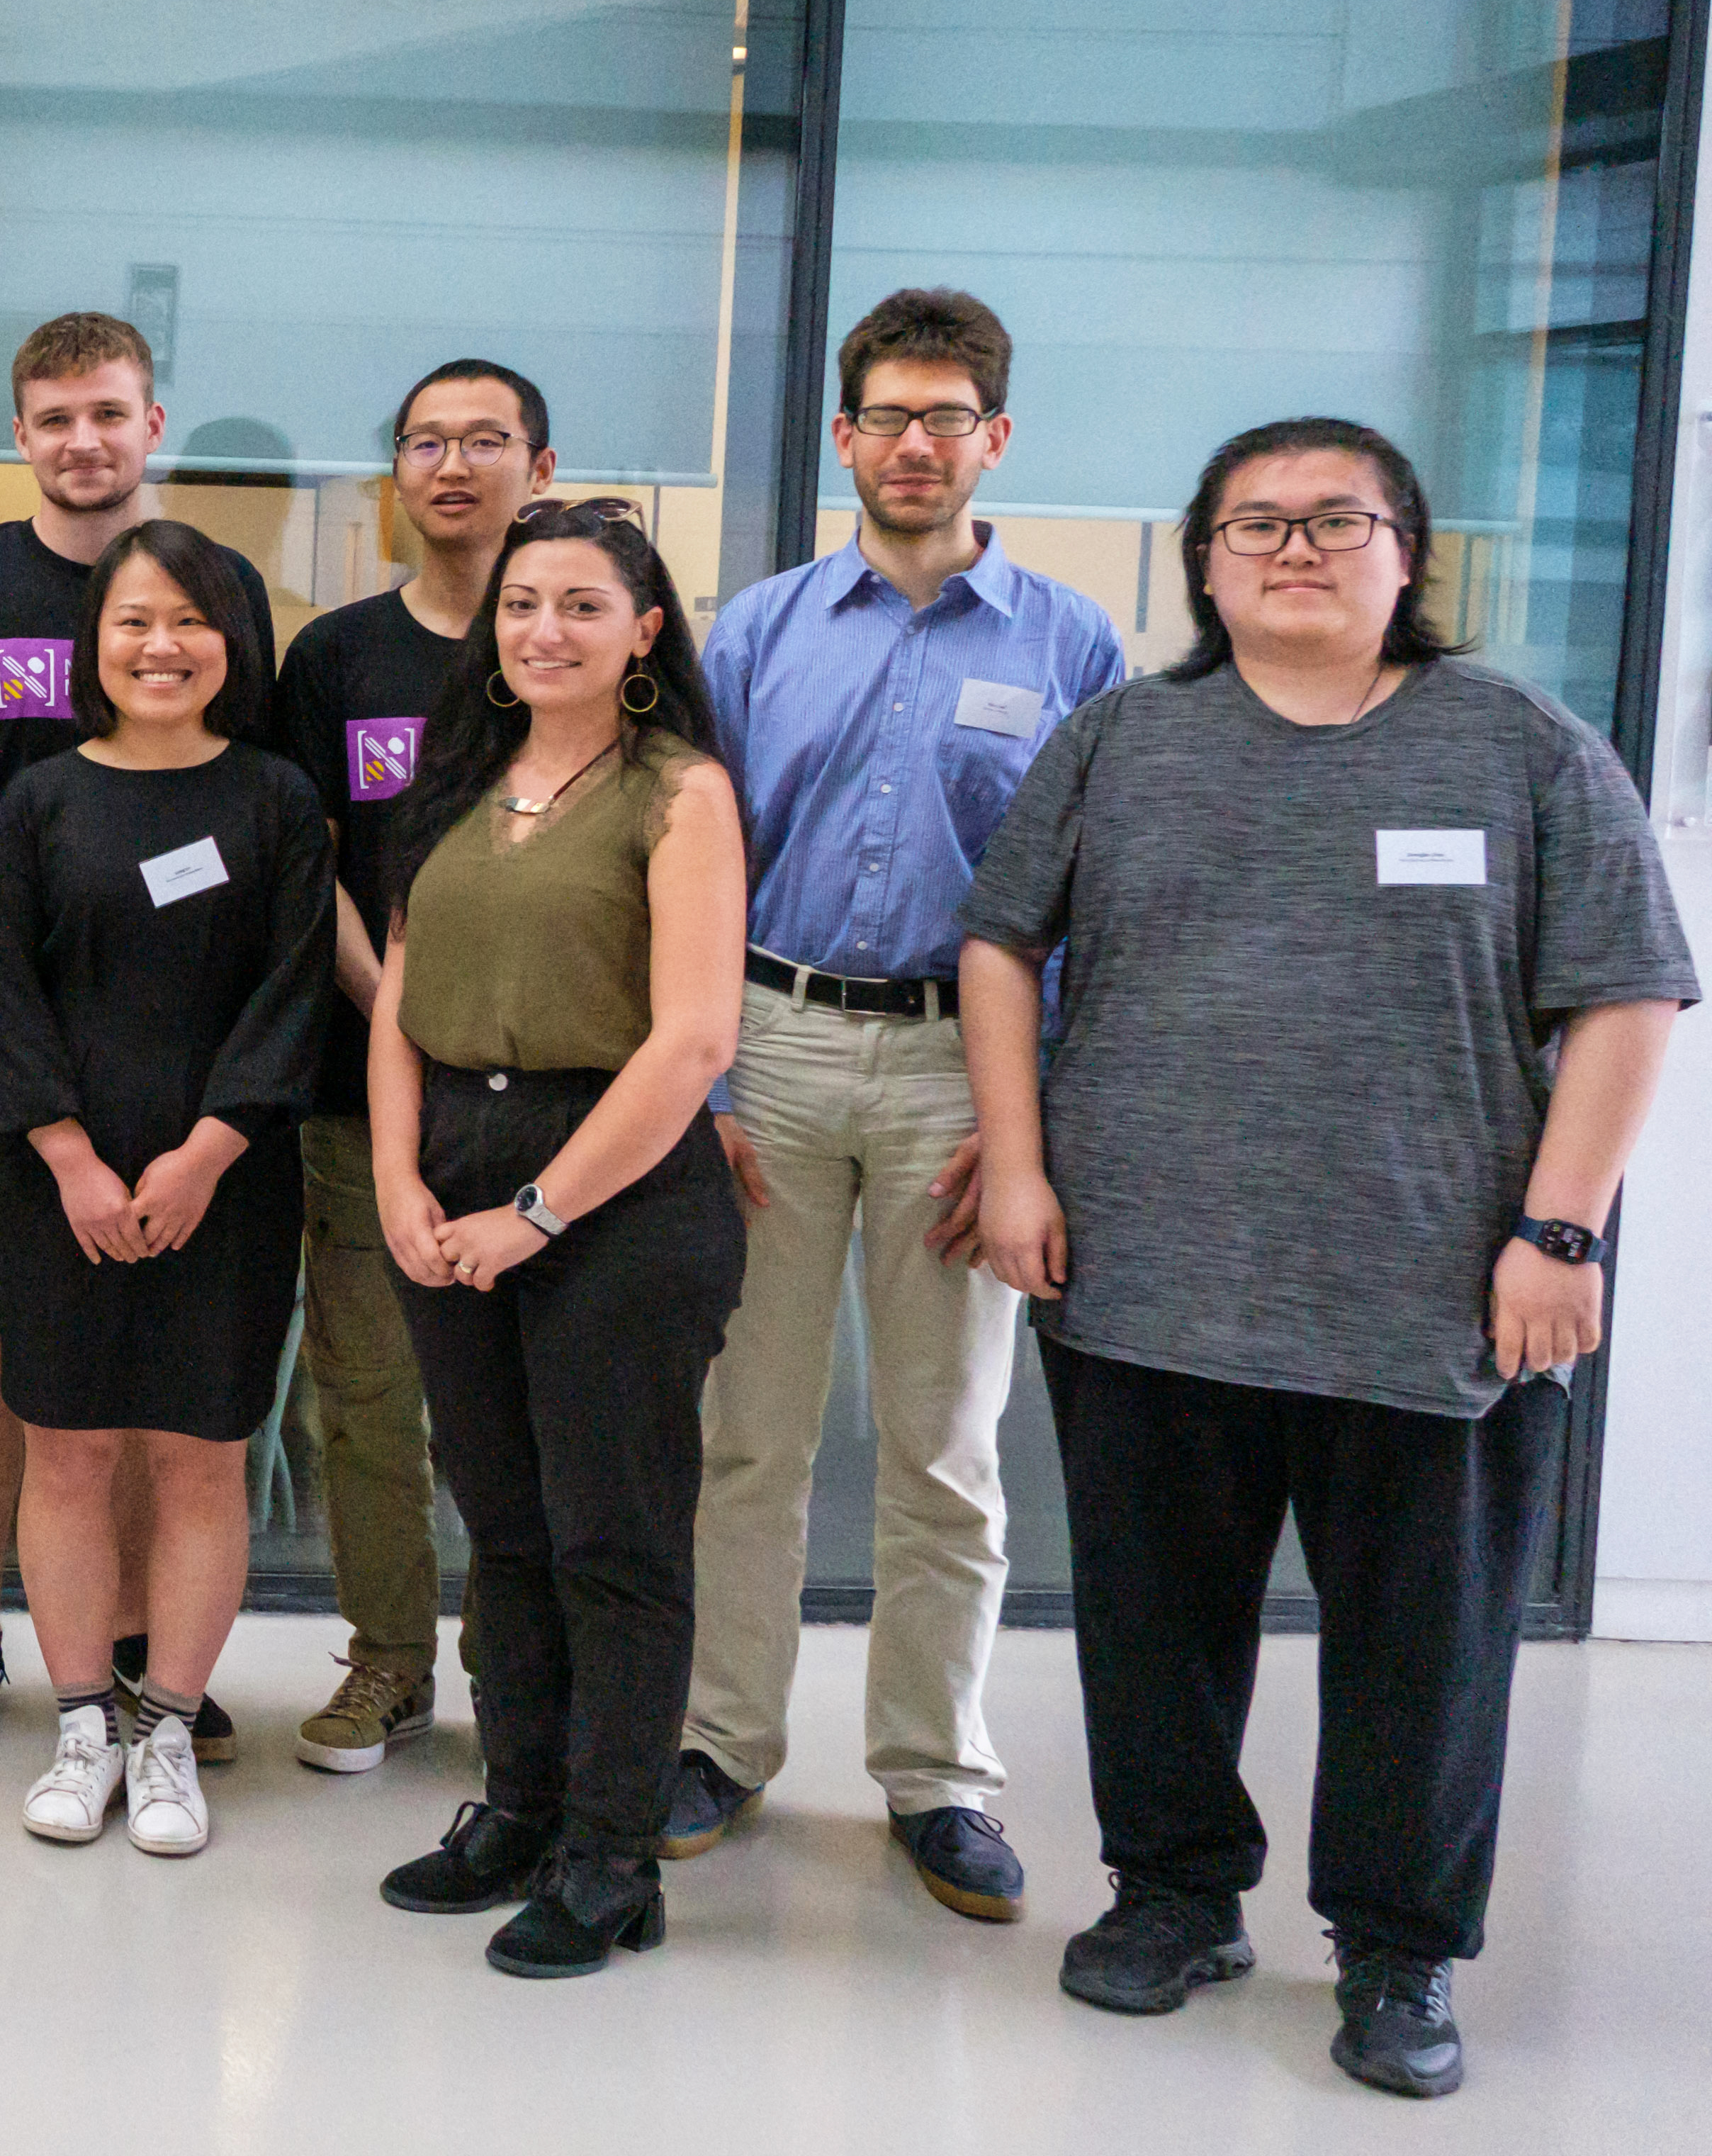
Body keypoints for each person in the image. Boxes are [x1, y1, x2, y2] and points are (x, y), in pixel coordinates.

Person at [962, 417, 1688, 2099]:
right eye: (1254, 524)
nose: (1292, 549)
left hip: (1435, 1296)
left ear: (1406, 554)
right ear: (1203, 563)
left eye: (1333, 521)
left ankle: (1398, 1951)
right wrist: (1014, 1163)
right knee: (1150, 1621)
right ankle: (1169, 1894)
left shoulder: (1516, 745)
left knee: (1424, 1654)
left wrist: (1557, 1228)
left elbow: (1627, 993)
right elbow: (999, 945)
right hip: (1144, 1279)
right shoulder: (1120, 740)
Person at [663, 288, 1130, 1915]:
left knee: (943, 1451)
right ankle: (720, 1741)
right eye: (884, 416)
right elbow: (698, 866)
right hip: (770, 1047)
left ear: (991, 439)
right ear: (843, 438)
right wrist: (704, 1079)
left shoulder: (1068, 644)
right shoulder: (757, 630)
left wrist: (1024, 1128)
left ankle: (933, 1776)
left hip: (959, 1065)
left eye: (945, 417)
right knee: (749, 1439)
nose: (911, 444)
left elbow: (1091, 901)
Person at [0, 313, 276, 1766]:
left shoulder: (215, 592)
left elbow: (259, 789)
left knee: (134, 1355)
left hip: (177, 1044)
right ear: (20, 433)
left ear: (150, 423)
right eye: (53, 418)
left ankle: (124, 1657)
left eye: (107, 413)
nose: (82, 440)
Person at [366, 498, 747, 1980]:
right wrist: (401, 1182)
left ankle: (608, 1856)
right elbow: (397, 1001)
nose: (542, 629)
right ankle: (516, 1807)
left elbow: (691, 1039)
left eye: (581, 605)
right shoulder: (454, 779)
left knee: (614, 1538)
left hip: (614, 1190)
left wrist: (535, 1214)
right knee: (504, 1527)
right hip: (450, 1163)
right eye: (520, 603)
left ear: (642, 630)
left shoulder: (678, 791)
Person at [0, 523, 331, 1858]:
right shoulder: (37, 799)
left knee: (199, 1456)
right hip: (55, 1183)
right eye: (133, 621)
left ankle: (167, 1726)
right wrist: (69, 1156)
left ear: (231, 642)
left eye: (189, 620)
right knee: (65, 1451)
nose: (161, 646)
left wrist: (204, 1157)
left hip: (225, 1185)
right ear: (95, 644)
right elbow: (0, 989)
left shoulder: (278, 801)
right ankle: (82, 1725)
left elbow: (294, 994)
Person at [261, 357, 552, 1772]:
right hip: (356, 1090)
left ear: (537, 470)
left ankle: (514, 1671)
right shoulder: (333, 660)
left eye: (483, 440)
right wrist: (398, 1022)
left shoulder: (574, 647)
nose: (452, 465)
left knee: (509, 1402)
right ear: (395, 480)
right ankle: (386, 1659)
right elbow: (305, 863)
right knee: (366, 1395)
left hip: (545, 1102)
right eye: (424, 443)